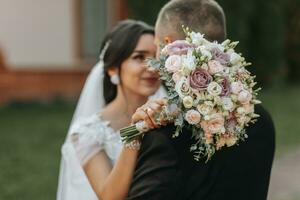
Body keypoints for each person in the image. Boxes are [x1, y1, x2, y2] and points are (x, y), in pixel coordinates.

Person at [126, 0, 275, 199]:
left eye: (155, 46)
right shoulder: (260, 118)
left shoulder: (165, 130)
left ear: (168, 45)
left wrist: (132, 134)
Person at [56, 19, 166, 200]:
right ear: (113, 69)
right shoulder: (87, 132)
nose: (152, 66)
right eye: (139, 57)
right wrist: (134, 132)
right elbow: (109, 196)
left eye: (157, 57)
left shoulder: (169, 118)